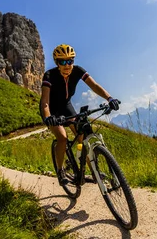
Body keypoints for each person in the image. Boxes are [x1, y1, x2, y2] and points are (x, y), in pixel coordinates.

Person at [40, 44, 120, 185]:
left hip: (66, 106)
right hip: (51, 110)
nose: (67, 65)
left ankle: (92, 171)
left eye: (70, 61)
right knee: (63, 138)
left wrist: (110, 98)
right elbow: (45, 102)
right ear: (57, 63)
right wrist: (48, 117)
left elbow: (94, 86)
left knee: (83, 136)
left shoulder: (78, 71)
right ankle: (60, 170)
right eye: (63, 61)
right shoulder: (49, 75)